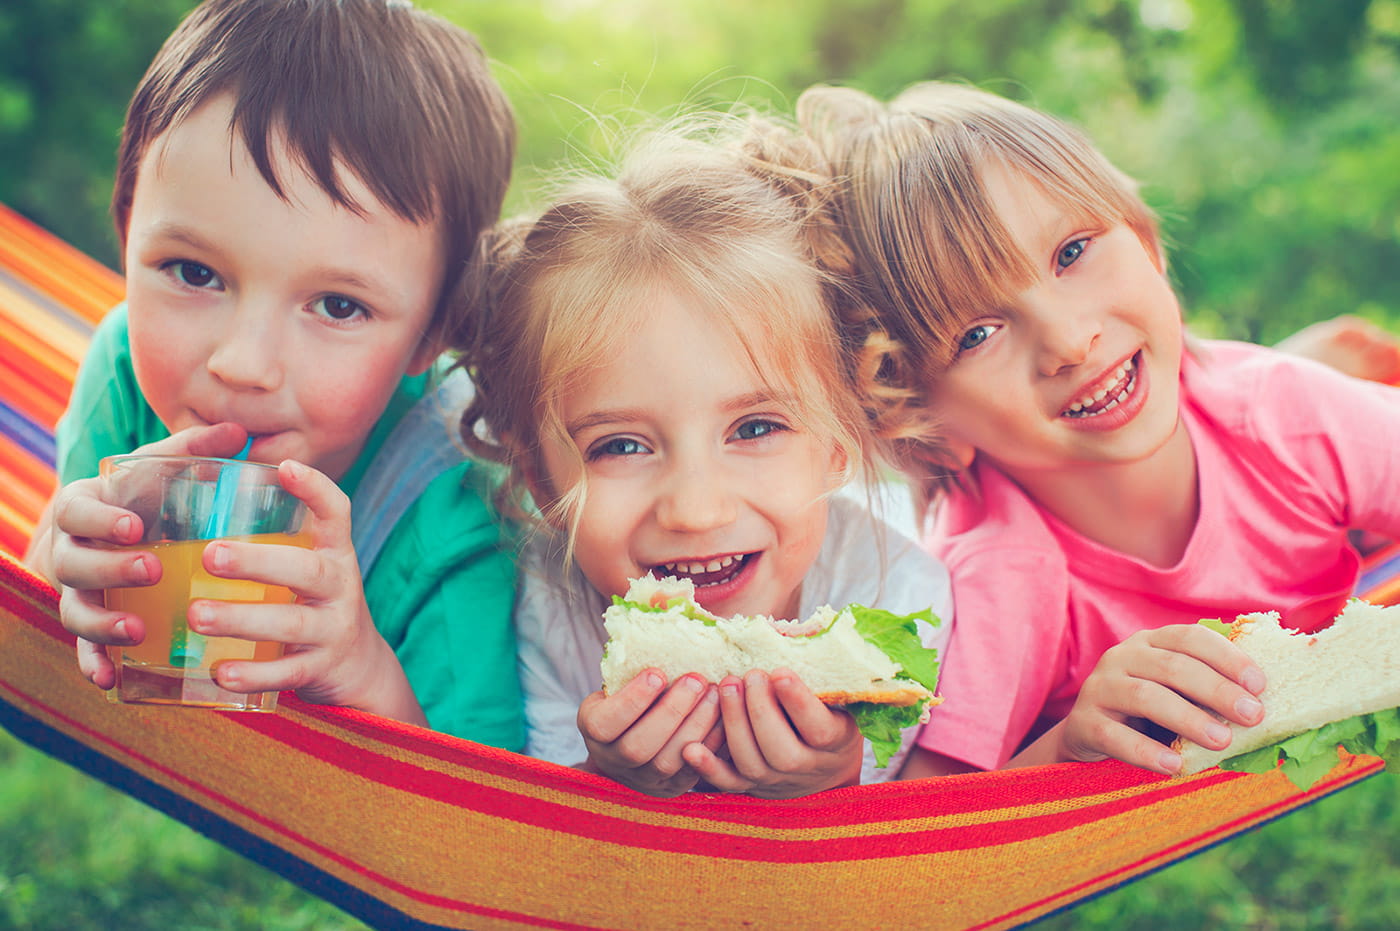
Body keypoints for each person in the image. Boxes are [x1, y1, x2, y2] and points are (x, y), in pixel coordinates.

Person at [794, 81, 1400, 779]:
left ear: (1146, 243)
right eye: (979, 333)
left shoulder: (1284, 416)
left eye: (1072, 251)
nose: (1070, 341)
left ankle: (1322, 380)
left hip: (1277, 460)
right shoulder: (1003, 576)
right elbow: (930, 825)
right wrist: (1066, 746)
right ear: (931, 431)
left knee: (1305, 415)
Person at [24, 0, 524, 748]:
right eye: (192, 271)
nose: (243, 363)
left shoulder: (457, 504)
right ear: (126, 235)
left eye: (336, 305)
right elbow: (34, 627)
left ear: (435, 334)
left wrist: (363, 671)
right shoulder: (125, 363)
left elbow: (481, 825)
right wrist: (64, 570)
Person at [452, 118, 952, 798]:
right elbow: (535, 850)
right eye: (620, 446)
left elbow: (896, 870)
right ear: (541, 479)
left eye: (754, 428)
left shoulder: (899, 599)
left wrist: (836, 780)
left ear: (841, 440)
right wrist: (607, 780)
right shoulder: (550, 599)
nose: (695, 509)